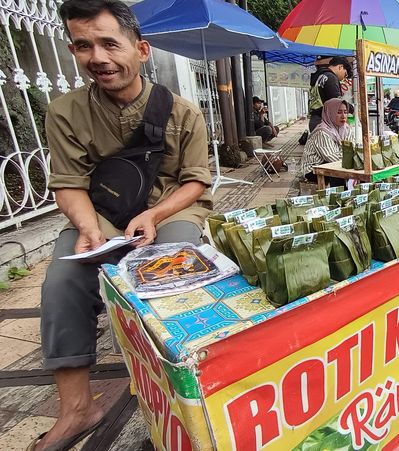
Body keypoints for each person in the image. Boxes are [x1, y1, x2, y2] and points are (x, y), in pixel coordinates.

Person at [33, 1, 212, 449]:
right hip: (101, 214)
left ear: (141, 50)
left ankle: (183, 391)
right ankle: (77, 407)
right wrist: (87, 227)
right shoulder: (64, 112)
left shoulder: (183, 112)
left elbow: (195, 182)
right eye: (83, 46)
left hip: (169, 210)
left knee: (171, 271)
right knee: (62, 281)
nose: (98, 57)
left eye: (110, 44)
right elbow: (69, 184)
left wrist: (154, 214)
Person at [300, 98, 352, 183]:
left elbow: (352, 147)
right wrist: (351, 156)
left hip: (331, 164)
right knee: (339, 174)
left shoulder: (346, 128)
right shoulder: (322, 132)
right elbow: (333, 158)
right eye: (339, 112)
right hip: (313, 169)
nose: (343, 116)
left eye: (345, 112)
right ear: (330, 113)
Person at [308, 56, 351, 132]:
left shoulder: (320, 76)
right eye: (345, 74)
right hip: (324, 122)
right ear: (340, 67)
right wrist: (351, 108)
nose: (344, 78)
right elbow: (337, 102)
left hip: (315, 119)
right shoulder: (331, 78)